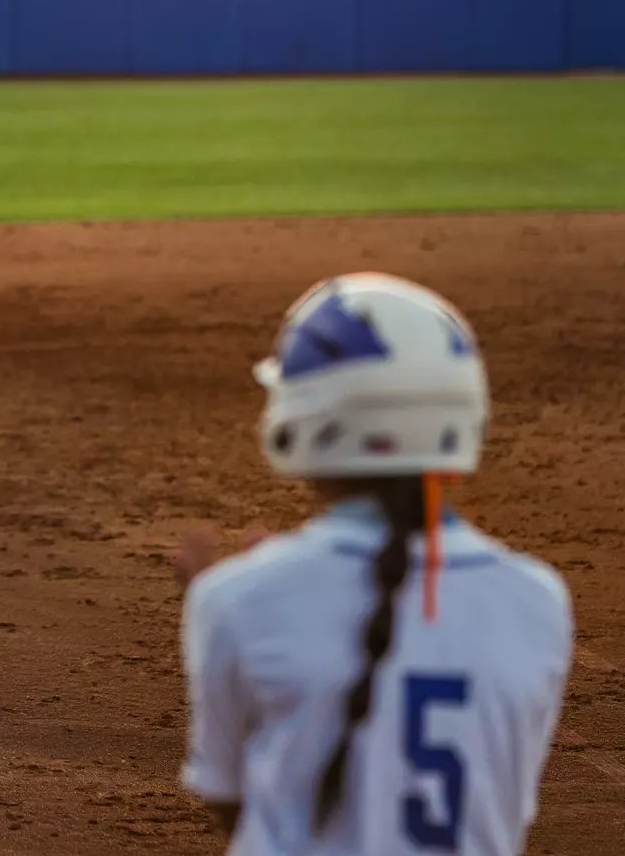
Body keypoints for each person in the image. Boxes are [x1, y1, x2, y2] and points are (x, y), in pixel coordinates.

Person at [174, 272, 573, 854]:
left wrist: (241, 599)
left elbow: (238, 806)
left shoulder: (238, 599)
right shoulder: (540, 601)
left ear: (301, 418)